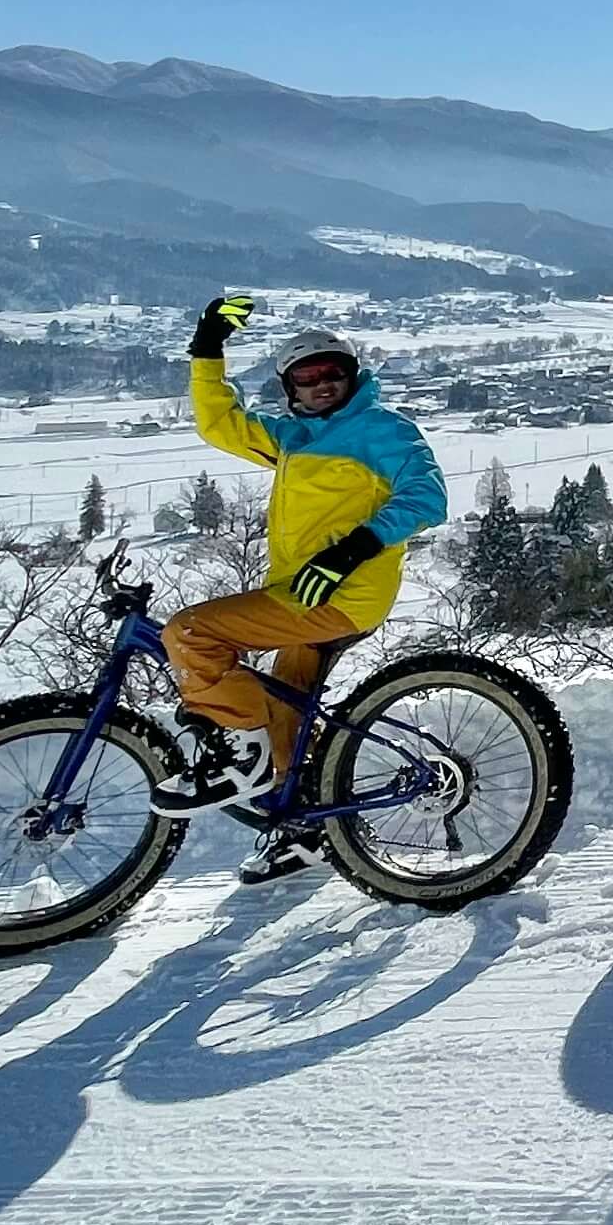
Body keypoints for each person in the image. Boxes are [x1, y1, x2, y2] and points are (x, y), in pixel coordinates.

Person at [149, 296, 451, 879]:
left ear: (353, 376)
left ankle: (241, 752)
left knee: (190, 632)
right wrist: (207, 349)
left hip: (342, 595)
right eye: (304, 377)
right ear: (289, 388)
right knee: (287, 707)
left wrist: (352, 550)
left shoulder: (382, 430)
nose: (320, 384)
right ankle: (301, 827)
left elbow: (427, 497)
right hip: (302, 594)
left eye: (332, 372)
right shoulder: (292, 438)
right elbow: (222, 424)